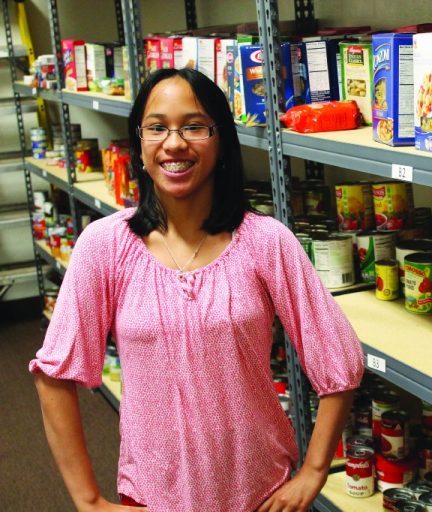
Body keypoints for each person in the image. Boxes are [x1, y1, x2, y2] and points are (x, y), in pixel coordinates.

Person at [30, 67, 364, 512]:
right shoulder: (105, 246)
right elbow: (54, 376)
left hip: (261, 490)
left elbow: (339, 357)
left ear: (221, 139)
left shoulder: (266, 241)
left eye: (194, 126)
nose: (174, 143)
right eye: (156, 128)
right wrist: (88, 501)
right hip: (152, 496)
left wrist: (314, 471)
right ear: (140, 145)